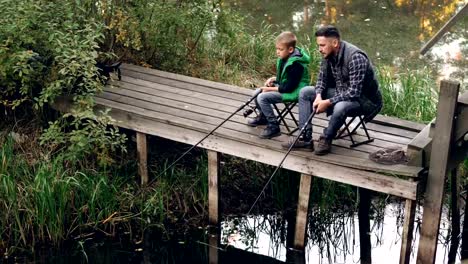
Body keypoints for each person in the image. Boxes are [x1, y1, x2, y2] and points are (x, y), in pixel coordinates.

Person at [282, 25, 382, 155]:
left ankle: (326, 138)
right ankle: (305, 138)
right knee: (305, 92)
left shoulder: (355, 57)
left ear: (335, 43)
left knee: (340, 106)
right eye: (319, 45)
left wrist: (328, 102)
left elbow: (354, 92)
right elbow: (321, 80)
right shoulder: (327, 54)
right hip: (342, 92)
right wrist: (318, 96)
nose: (319, 49)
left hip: (365, 100)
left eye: (322, 45)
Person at [247, 31, 310, 139]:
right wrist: (274, 79)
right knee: (256, 92)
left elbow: (289, 87)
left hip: (294, 92)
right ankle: (264, 117)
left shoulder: (296, 65)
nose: (277, 52)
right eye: (277, 49)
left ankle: (274, 126)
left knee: (262, 97)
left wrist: (270, 89)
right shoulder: (285, 58)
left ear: (290, 50)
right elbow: (285, 79)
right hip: (287, 88)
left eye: (280, 49)